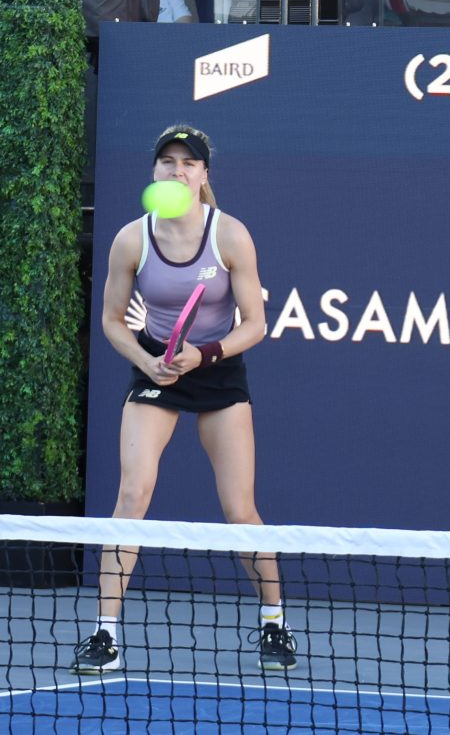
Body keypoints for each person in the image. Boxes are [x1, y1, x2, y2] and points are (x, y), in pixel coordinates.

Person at [71, 125, 298, 674]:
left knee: (239, 509)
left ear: (203, 176)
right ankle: (105, 634)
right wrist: (146, 360)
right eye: (168, 161)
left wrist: (207, 354)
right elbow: (110, 320)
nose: (177, 170)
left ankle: (274, 623)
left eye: (189, 163)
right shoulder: (131, 239)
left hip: (216, 369)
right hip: (157, 365)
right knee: (132, 495)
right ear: (154, 173)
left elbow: (257, 324)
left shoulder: (230, 236)